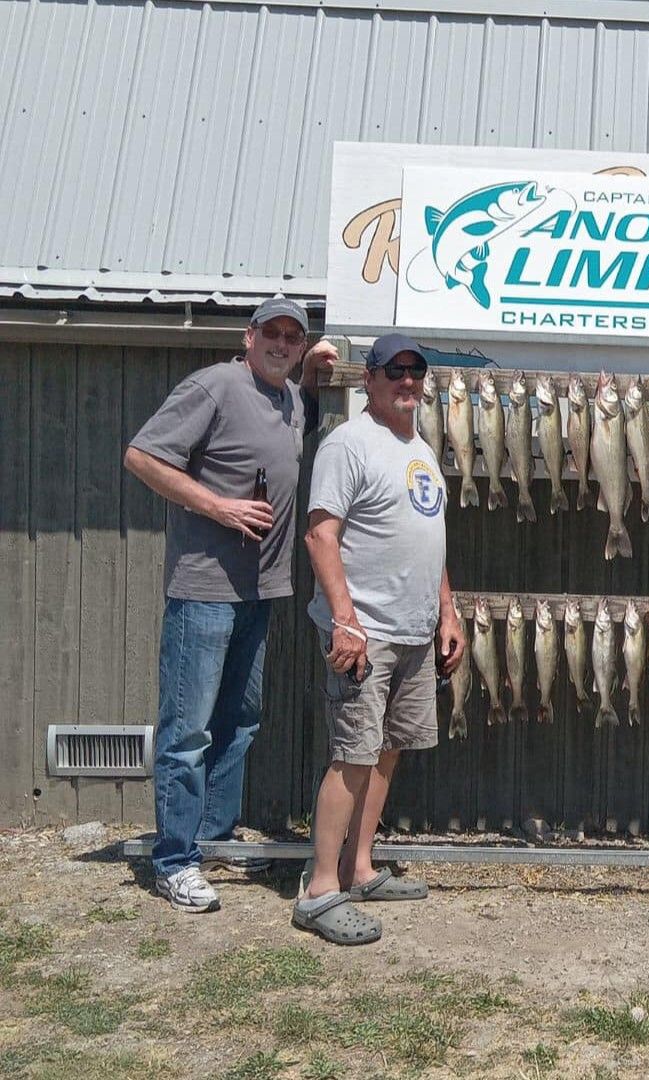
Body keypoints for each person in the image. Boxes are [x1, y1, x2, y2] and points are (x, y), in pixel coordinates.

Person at [125, 297, 336, 912]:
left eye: (292, 336)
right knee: (188, 729)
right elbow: (141, 456)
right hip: (204, 591)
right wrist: (217, 506)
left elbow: (297, 423)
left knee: (239, 723)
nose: (281, 343)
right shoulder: (214, 385)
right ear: (249, 336)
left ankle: (212, 839)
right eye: (271, 332)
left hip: (260, 591)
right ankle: (175, 859)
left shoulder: (290, 398)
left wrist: (312, 376)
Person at [293, 333, 464, 946]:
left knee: (388, 750)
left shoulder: (420, 449)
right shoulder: (348, 443)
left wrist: (447, 611)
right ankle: (319, 890)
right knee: (353, 754)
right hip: (365, 632)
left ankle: (359, 868)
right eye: (395, 370)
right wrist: (345, 620)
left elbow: (428, 537)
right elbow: (320, 535)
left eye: (416, 371)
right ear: (369, 379)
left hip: (415, 631)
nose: (407, 381)